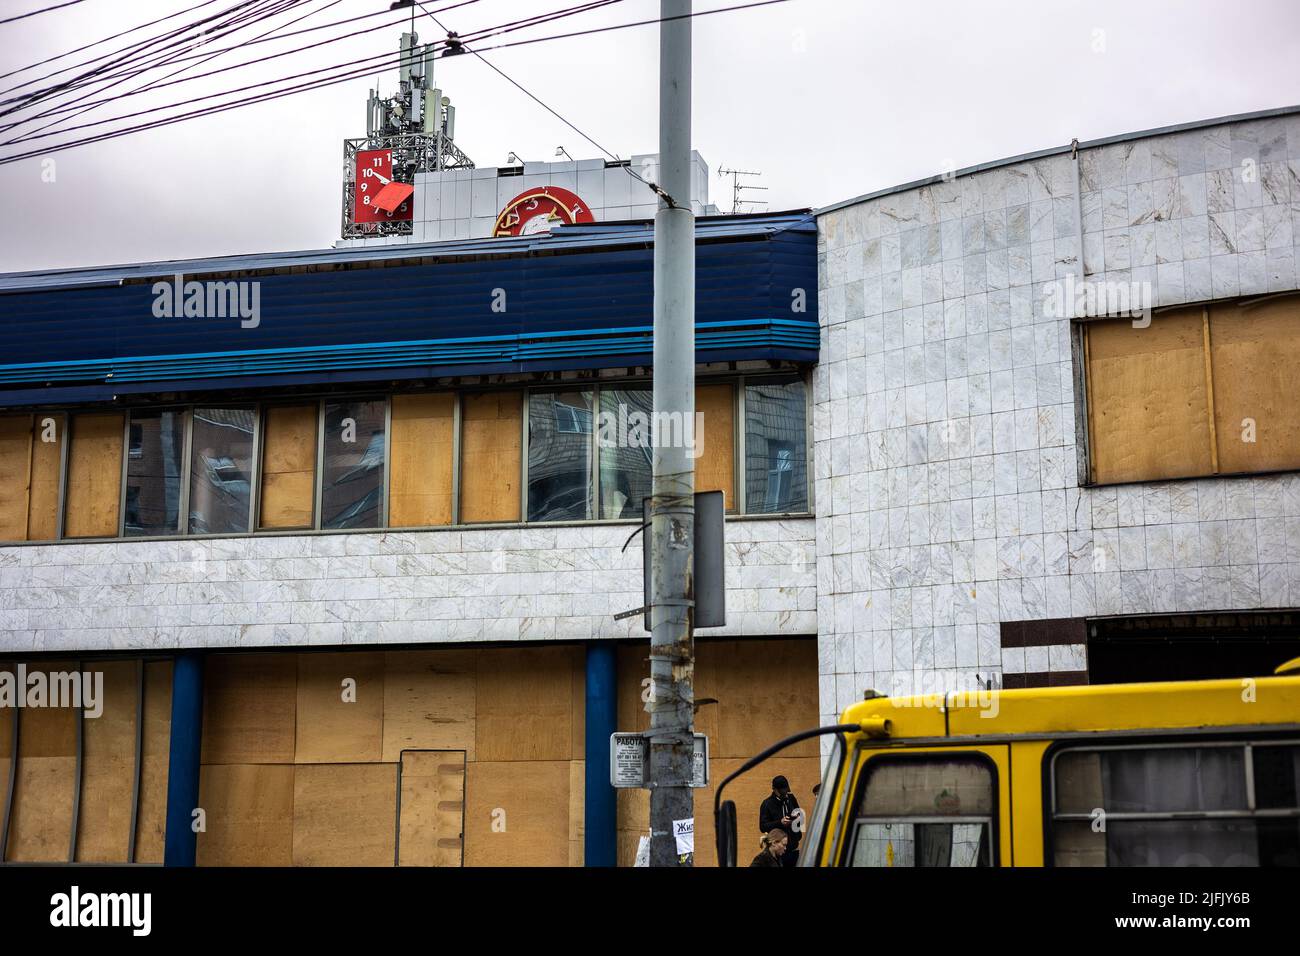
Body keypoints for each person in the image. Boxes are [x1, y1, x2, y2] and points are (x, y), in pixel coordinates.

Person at [759, 774, 801, 868]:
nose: (785, 794)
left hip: (793, 847)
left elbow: (799, 813)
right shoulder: (767, 804)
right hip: (778, 851)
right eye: (782, 792)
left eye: (786, 791)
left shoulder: (791, 798)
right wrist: (780, 823)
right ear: (774, 790)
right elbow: (763, 826)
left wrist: (797, 818)